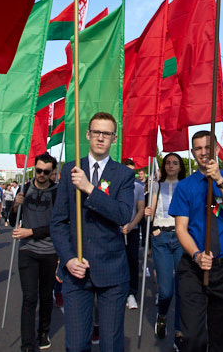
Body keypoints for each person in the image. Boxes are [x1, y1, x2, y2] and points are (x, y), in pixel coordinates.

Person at [50, 112, 135, 352]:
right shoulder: (70, 170)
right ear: (87, 135)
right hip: (77, 271)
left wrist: (89, 189)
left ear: (114, 138)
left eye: (106, 133)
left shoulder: (124, 174)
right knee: (76, 345)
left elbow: (123, 215)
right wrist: (67, 260)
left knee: (110, 345)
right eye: (96, 132)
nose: (100, 138)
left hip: (112, 272)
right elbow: (57, 222)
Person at [168, 131, 223, 352]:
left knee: (221, 340)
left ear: (217, 150)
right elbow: (181, 229)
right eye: (198, 148)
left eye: (207, 147)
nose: (203, 152)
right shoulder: (185, 186)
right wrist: (196, 255)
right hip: (194, 268)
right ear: (193, 153)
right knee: (193, 339)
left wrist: (219, 180)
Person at [11, 153, 59, 352]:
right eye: (38, 170)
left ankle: (43, 332)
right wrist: (15, 205)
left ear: (52, 173)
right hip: (28, 251)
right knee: (29, 298)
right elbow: (11, 218)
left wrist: (31, 231)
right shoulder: (24, 189)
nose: (41, 174)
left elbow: (58, 225)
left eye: (46, 172)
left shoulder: (57, 193)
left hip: (49, 251)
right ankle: (27, 344)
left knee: (46, 296)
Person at [144, 153, 187, 346]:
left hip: (180, 237)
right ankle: (162, 315)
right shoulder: (156, 185)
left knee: (181, 288)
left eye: (175, 163)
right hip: (160, 237)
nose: (171, 166)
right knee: (166, 290)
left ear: (180, 166)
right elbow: (151, 210)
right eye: (168, 163)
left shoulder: (185, 186)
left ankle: (179, 331)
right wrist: (149, 217)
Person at [121, 159, 145, 311]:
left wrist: (131, 226)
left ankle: (132, 292)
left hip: (132, 230)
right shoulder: (113, 185)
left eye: (132, 171)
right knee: (117, 262)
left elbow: (141, 209)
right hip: (116, 230)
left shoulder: (138, 187)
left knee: (132, 260)